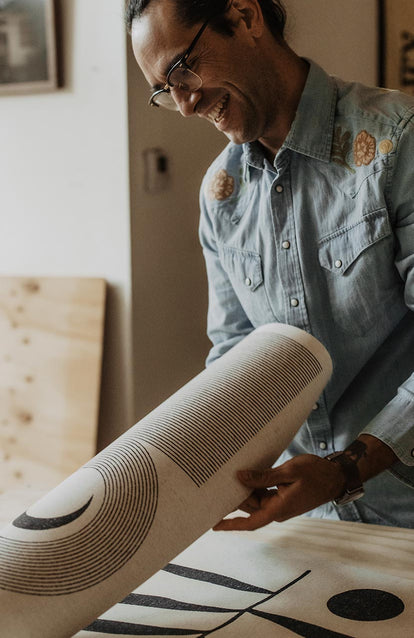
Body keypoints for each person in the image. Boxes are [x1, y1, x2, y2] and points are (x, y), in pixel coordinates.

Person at [126, 0, 414, 529]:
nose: (186, 106)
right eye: (165, 90)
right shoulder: (220, 195)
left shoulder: (400, 141)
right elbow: (236, 359)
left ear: (245, 17)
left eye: (183, 69)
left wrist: (347, 467)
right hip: (303, 524)